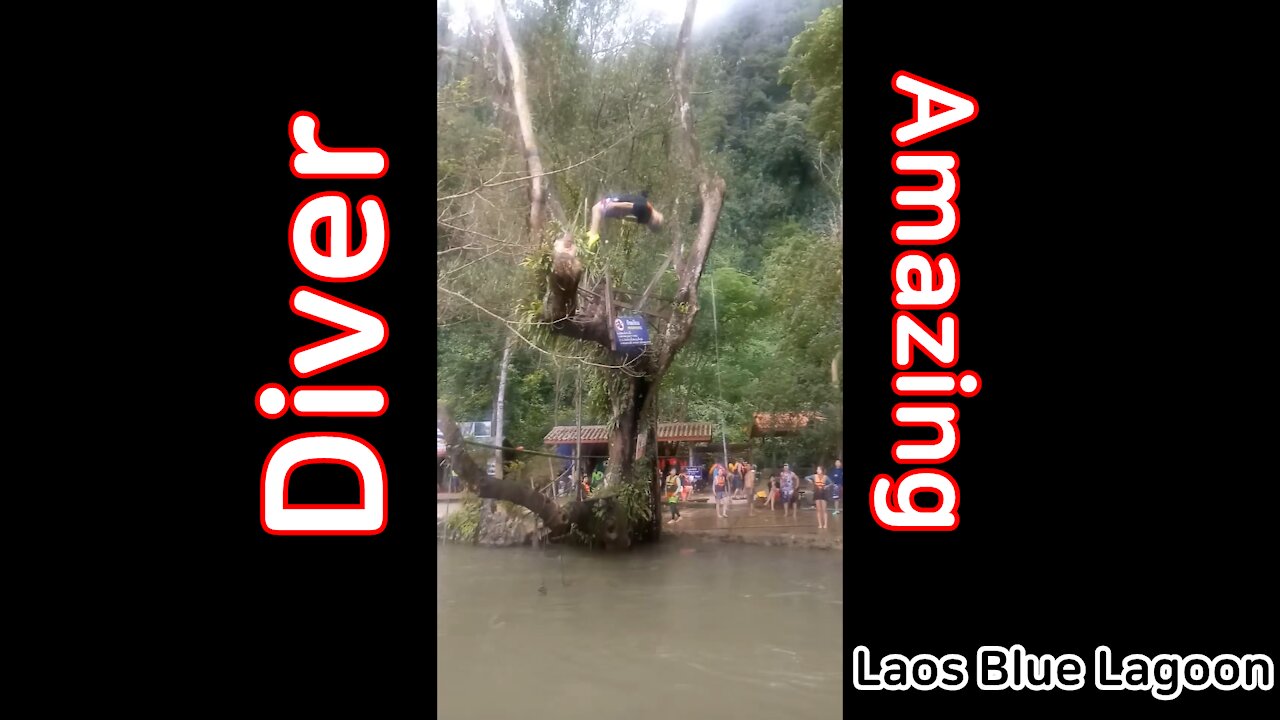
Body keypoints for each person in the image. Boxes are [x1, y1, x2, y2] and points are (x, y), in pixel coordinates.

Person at [587, 191, 665, 247]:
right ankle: (592, 235)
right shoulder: (645, 211)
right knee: (597, 210)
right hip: (615, 204)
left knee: (597, 210)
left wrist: (616, 209)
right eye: (651, 225)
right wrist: (615, 206)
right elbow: (630, 207)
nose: (648, 225)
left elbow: (630, 209)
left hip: (615, 205)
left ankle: (593, 235)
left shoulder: (646, 211)